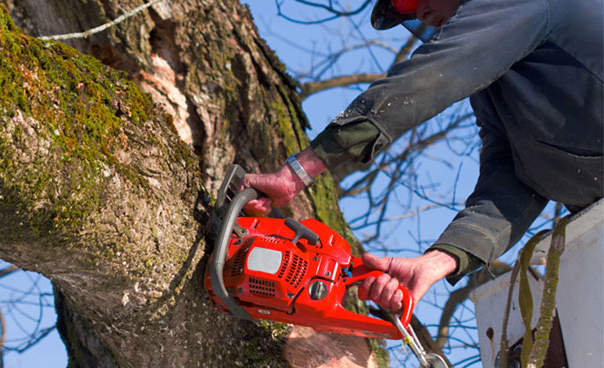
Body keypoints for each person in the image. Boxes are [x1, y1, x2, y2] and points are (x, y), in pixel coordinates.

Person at [242, 0, 603, 312]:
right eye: (408, 10)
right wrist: (436, 262)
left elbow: (433, 74)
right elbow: (513, 182)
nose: (422, 12)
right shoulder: (498, 91)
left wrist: (296, 174)